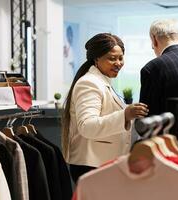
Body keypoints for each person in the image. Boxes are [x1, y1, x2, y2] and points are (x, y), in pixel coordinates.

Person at [61, 33, 149, 183]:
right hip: (91, 166)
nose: (118, 63)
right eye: (112, 58)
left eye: (120, 58)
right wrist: (125, 115)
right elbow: (87, 126)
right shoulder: (89, 83)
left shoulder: (102, 81)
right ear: (96, 59)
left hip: (101, 164)